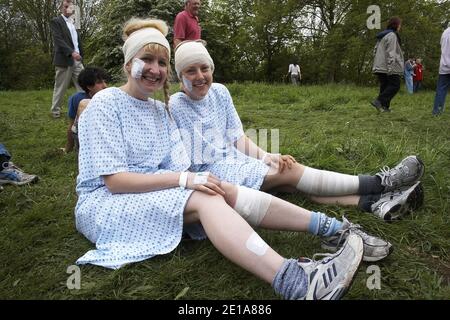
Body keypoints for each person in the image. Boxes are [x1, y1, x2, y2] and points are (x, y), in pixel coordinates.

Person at [75, 17, 367, 300]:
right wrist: (187, 179)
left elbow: (179, 164)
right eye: (147, 60)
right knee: (207, 198)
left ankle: (334, 229)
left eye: (162, 63)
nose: (155, 69)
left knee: (216, 189)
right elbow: (114, 181)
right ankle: (298, 283)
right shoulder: (105, 103)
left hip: (152, 189)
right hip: (105, 202)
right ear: (128, 65)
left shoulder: (159, 109)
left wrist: (203, 179)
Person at [171, 40, 425, 225]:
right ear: (180, 76)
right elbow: (196, 159)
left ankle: (375, 204)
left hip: (236, 159)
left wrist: (265, 156)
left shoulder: (220, 92)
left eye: (204, 68)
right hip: (214, 173)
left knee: (293, 183)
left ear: (212, 69)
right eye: (190, 71)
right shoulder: (176, 105)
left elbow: (238, 136)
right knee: (288, 172)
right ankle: (381, 183)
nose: (200, 76)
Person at [50, 0, 84, 118]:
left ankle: (84, 107)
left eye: (70, 7)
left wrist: (80, 54)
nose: (68, 9)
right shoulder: (56, 21)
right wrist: (71, 53)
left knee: (83, 84)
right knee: (60, 87)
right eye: (65, 6)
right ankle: (55, 111)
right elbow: (58, 40)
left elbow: (77, 41)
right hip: (65, 60)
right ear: (61, 8)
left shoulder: (74, 22)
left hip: (78, 60)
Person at [61, 67, 108, 153]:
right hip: (84, 135)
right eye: (99, 82)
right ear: (89, 86)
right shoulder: (76, 99)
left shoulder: (109, 97)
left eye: (104, 81)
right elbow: (72, 126)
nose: (105, 86)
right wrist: (68, 148)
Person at [371, 17, 404, 112]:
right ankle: (379, 101)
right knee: (395, 85)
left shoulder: (382, 36)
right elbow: (391, 52)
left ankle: (385, 107)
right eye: (399, 25)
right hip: (387, 66)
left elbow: (375, 51)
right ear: (396, 25)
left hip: (379, 65)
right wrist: (391, 68)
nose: (400, 27)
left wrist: (377, 63)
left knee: (385, 85)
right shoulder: (392, 35)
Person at [432, 22, 450, 116]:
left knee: (441, 89)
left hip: (444, 65)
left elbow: (442, 47)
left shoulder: (445, 33)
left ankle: (437, 111)